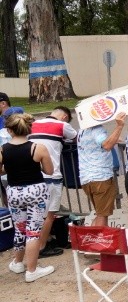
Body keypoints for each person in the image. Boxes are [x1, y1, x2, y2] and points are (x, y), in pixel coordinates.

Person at [1, 113, 55, 282]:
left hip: (14, 191)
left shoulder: (3, 149)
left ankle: (18, 262)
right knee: (33, 231)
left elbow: (1, 171)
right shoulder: (38, 148)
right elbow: (49, 171)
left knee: (20, 228)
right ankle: (32, 270)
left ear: (10, 130)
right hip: (35, 190)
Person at [29, 106, 77, 257]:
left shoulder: (34, 124)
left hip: (33, 176)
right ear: (64, 117)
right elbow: (76, 137)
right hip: (52, 175)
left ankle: (40, 242)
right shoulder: (62, 125)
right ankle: (42, 247)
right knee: (50, 215)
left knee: (35, 214)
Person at [77, 113, 126, 226]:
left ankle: (93, 241)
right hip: (100, 177)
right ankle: (97, 242)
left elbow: (102, 142)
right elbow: (107, 145)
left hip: (87, 177)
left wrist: (113, 139)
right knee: (102, 217)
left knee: (100, 214)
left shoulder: (82, 129)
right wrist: (119, 126)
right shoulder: (97, 129)